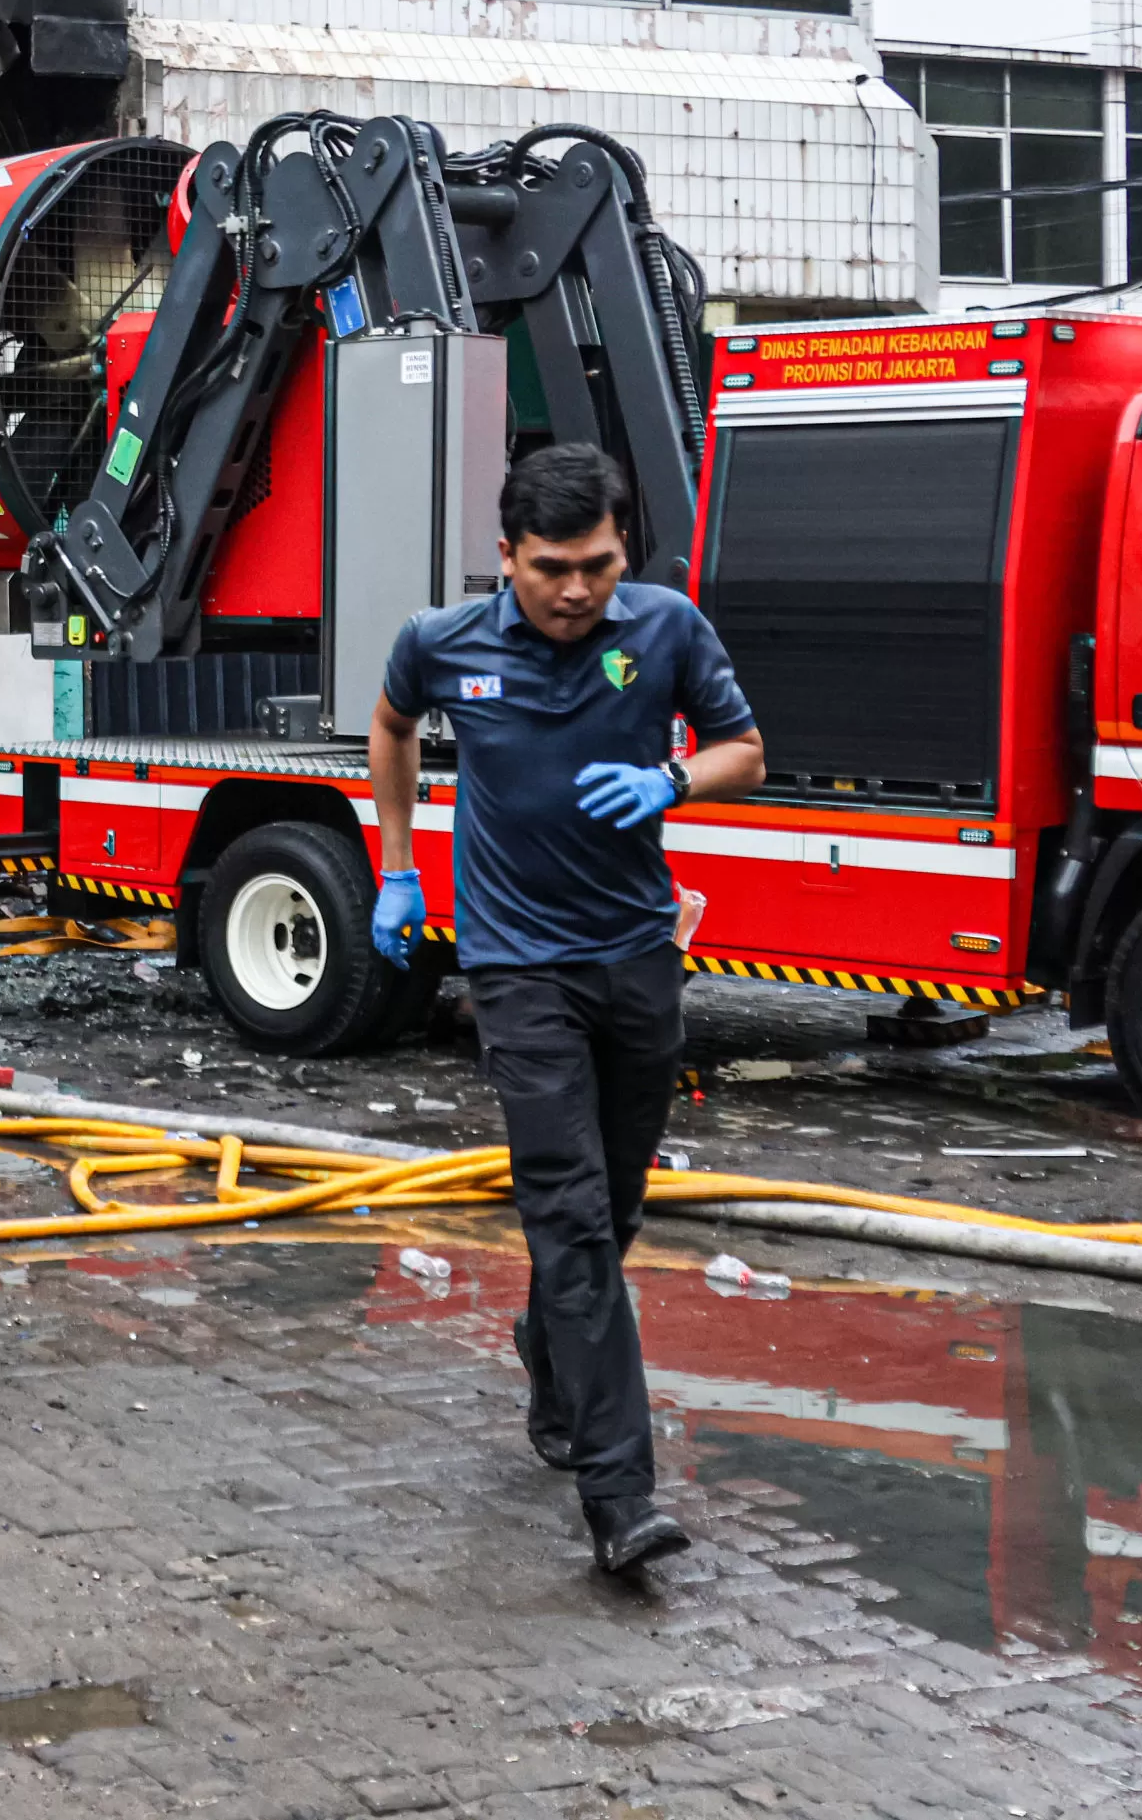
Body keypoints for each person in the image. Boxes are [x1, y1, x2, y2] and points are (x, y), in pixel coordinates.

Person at [368, 442, 764, 1577]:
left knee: (619, 1199)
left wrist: (673, 780)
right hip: (516, 970)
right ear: (507, 558)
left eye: (597, 563)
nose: (577, 589)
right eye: (552, 568)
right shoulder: (441, 642)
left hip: (638, 959)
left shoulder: (666, 631)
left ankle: (550, 1344)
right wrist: (397, 865)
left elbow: (747, 747)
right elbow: (393, 727)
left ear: (622, 550)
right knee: (571, 1214)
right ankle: (618, 1493)